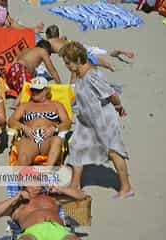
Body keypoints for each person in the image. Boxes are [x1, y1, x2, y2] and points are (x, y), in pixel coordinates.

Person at [59, 42, 133, 199]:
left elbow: (112, 94)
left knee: (113, 152)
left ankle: (126, 187)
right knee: (76, 147)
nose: (66, 66)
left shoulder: (92, 76)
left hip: (103, 119)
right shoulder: (80, 73)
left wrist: (119, 107)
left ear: (78, 59)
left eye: (67, 62)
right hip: (86, 121)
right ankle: (74, 186)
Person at [0, 167, 82, 240]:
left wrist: (61, 189)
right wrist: (16, 197)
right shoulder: (17, 205)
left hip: (58, 230)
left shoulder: (52, 197)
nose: (40, 183)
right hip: (32, 233)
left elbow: (82, 196)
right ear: (24, 183)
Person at [8, 76, 71, 166]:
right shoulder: (25, 106)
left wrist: (55, 129)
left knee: (57, 140)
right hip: (30, 138)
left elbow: (67, 123)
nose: (34, 93)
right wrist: (24, 127)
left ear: (46, 90)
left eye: (38, 90)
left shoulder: (56, 105)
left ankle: (48, 172)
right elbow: (11, 121)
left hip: (48, 139)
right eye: (33, 90)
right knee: (23, 159)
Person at [45, 25, 134, 72]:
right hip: (80, 45)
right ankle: (117, 52)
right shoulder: (62, 38)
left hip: (74, 50)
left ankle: (108, 65)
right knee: (104, 53)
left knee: (91, 58)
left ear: (48, 35)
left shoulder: (49, 41)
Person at [6, 40, 61, 107]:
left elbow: (13, 64)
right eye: (48, 54)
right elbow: (52, 70)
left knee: (25, 86)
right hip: (21, 69)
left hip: (13, 70)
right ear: (46, 50)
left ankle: (16, 99)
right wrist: (59, 84)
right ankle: (16, 104)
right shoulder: (42, 51)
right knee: (28, 86)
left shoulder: (26, 50)